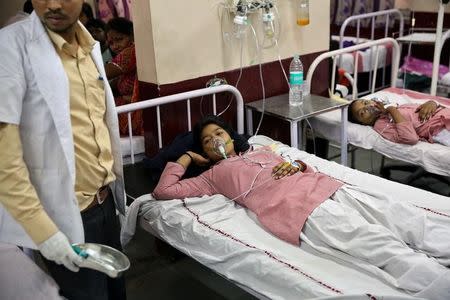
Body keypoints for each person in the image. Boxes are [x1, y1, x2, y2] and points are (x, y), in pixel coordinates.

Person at [153, 115, 450, 299]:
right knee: (375, 242)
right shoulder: (213, 176)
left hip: (327, 187)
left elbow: (300, 166)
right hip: (299, 209)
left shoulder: (261, 150)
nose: (214, 140)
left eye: (218, 133)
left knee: (401, 217)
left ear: (230, 136)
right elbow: (164, 191)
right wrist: (188, 159)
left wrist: (296, 163)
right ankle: (439, 283)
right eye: (207, 141)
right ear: (205, 151)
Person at [0, 1, 126, 299]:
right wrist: (44, 232)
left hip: (105, 202)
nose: (53, 4)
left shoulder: (89, 46)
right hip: (66, 215)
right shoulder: (11, 46)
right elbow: (5, 159)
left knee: (116, 293)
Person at [348, 98, 450, 146]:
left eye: (365, 102)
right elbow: (411, 138)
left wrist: (432, 103)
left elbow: (423, 107)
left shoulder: (399, 105)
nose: (367, 107)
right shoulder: (381, 125)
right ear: (363, 123)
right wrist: (391, 110)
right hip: (440, 128)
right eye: (362, 113)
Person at [105, 17, 142, 136]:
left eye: (119, 39)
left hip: (137, 118)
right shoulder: (125, 58)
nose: (115, 46)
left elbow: (102, 74)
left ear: (131, 36)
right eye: (111, 43)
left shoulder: (133, 51)